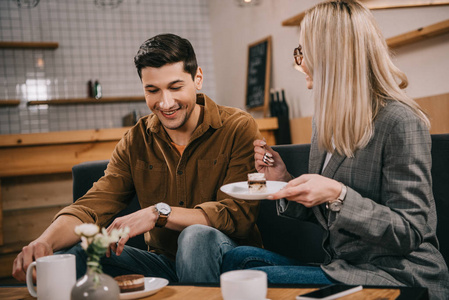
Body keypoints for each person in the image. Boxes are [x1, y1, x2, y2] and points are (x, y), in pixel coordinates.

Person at [221, 1, 449, 299]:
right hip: (344, 267)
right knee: (236, 261)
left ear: (330, 56)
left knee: (250, 280)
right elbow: (326, 210)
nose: (299, 63)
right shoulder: (325, 121)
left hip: (398, 276)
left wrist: (339, 195)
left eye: (302, 52)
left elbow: (410, 231)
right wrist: (284, 180)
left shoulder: (400, 121)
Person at [12, 33, 263, 283]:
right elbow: (91, 206)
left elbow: (237, 216)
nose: (165, 103)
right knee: (79, 254)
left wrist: (158, 214)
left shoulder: (238, 127)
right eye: (152, 90)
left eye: (175, 87)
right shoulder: (136, 140)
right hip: (163, 264)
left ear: (197, 78)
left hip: (228, 260)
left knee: (195, 237)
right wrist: (43, 242)